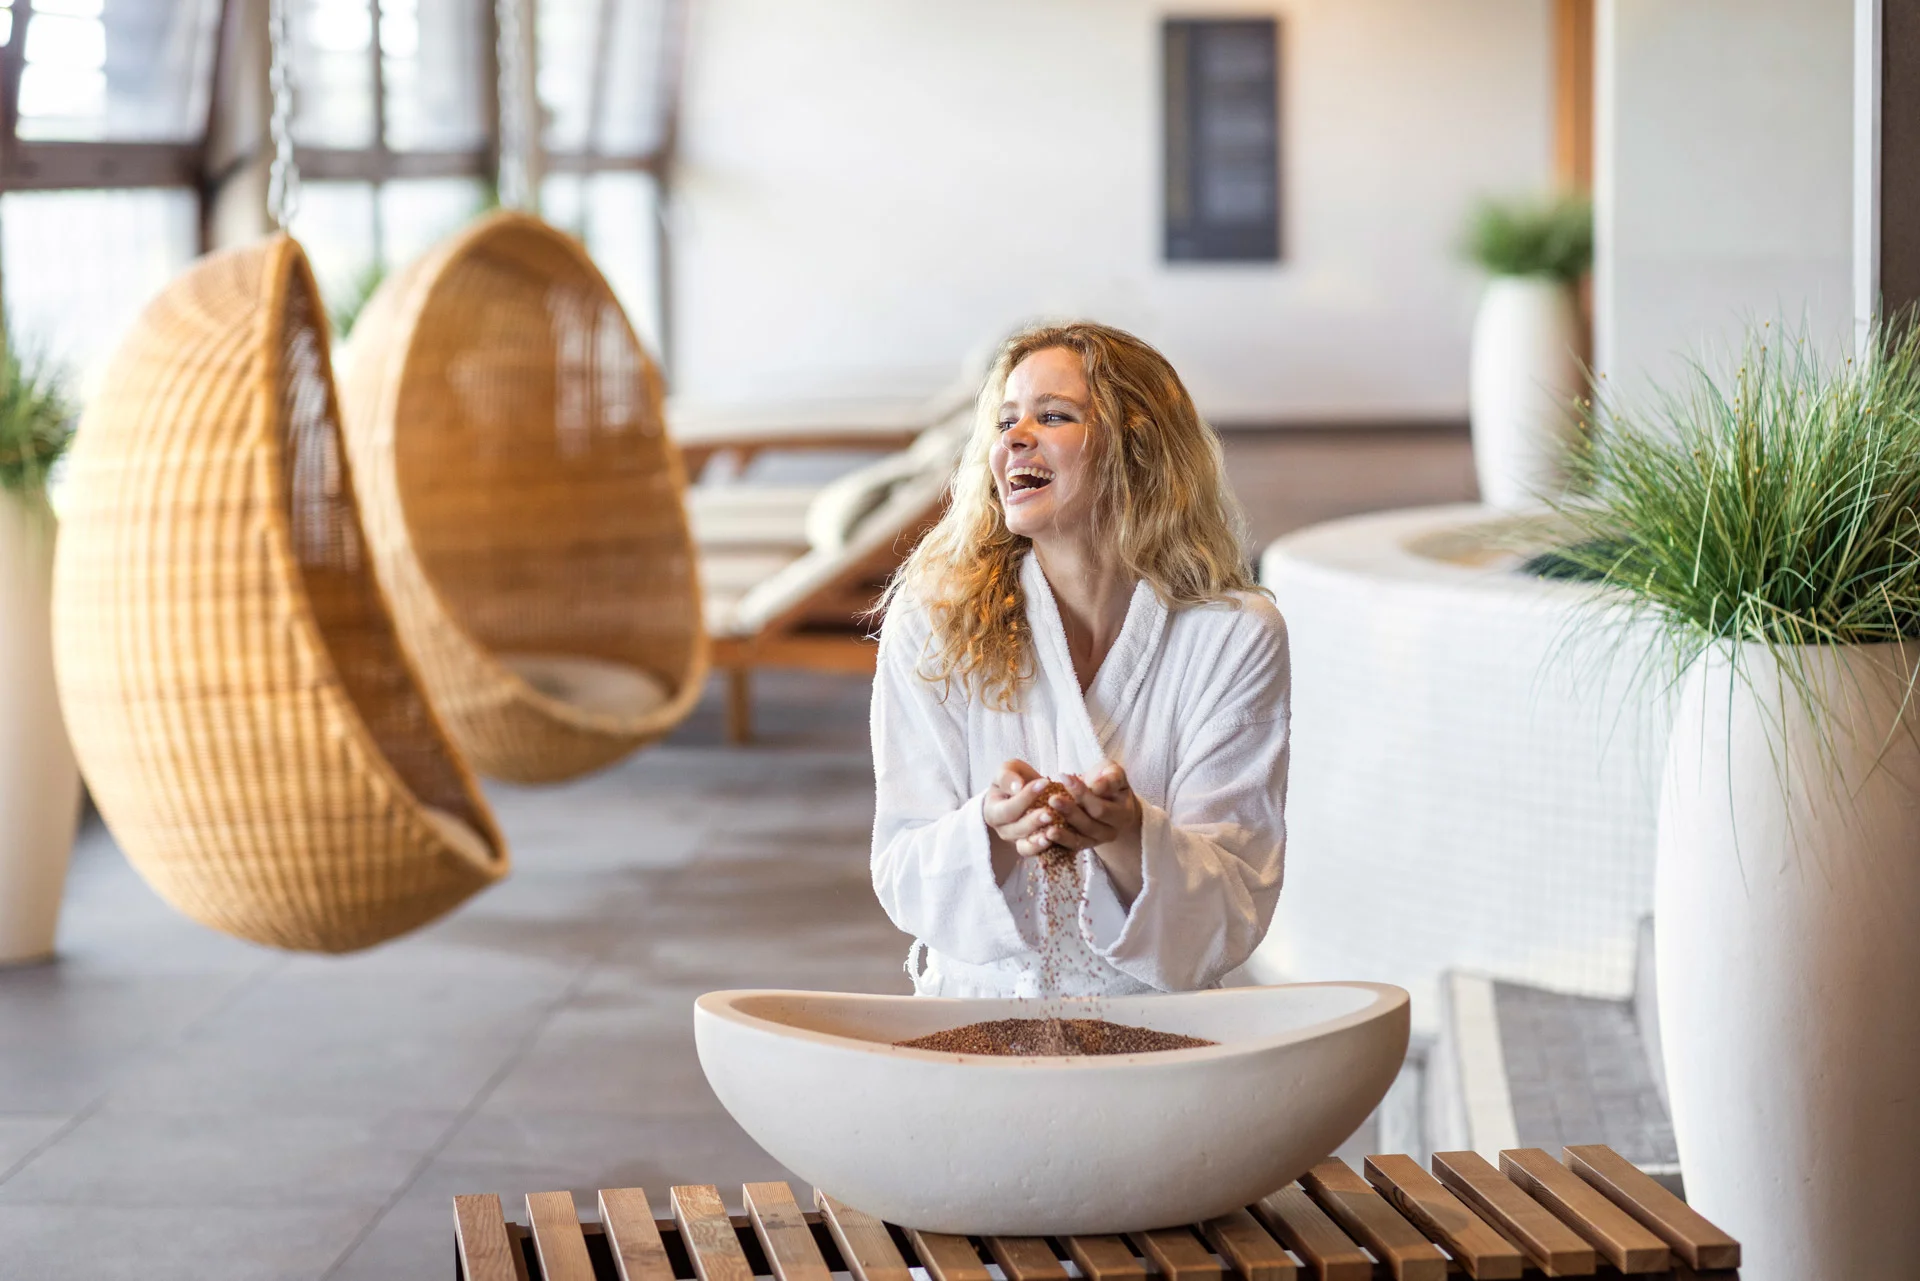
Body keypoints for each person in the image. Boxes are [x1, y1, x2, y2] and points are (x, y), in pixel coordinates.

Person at [870, 321, 1290, 998]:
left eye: (1053, 415)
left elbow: (1234, 905)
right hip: (977, 1017)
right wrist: (992, 830)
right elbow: (901, 867)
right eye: (1005, 421)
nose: (1014, 438)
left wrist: (1128, 834)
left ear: (1137, 447)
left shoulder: (1232, 635)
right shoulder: (935, 620)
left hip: (1160, 1030)